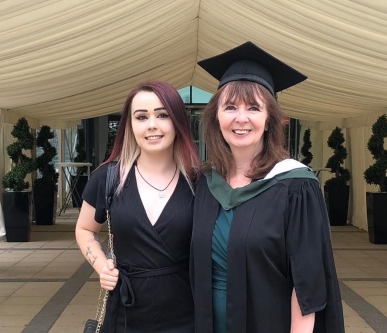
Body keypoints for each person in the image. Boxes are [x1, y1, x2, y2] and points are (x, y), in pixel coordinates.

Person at [190, 42, 345, 333]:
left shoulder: (295, 187)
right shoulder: (205, 183)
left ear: (269, 119)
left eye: (253, 108)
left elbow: (307, 284)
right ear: (216, 116)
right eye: (230, 107)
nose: (241, 118)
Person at [76, 80, 199, 332]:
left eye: (162, 115)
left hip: (186, 313)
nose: (152, 124)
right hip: (125, 312)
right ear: (130, 126)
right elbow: (85, 229)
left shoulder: (200, 182)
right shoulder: (108, 178)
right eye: (141, 117)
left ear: (177, 121)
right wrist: (101, 266)